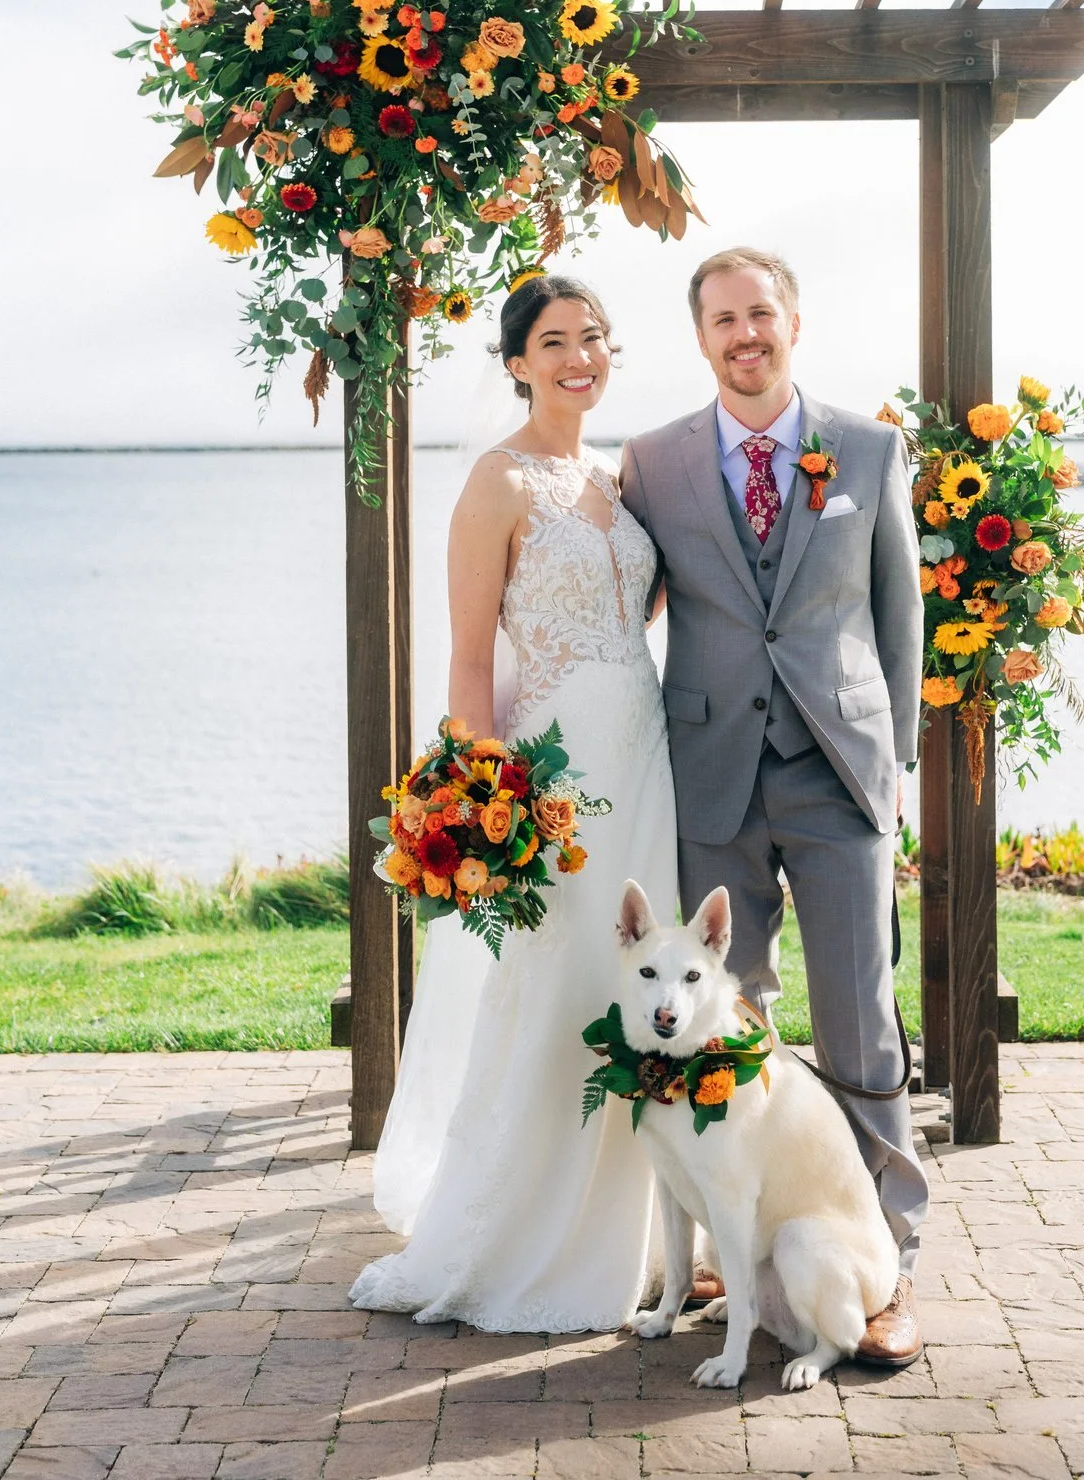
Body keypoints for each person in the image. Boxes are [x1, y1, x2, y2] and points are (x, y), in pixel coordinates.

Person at [618, 246, 930, 1368]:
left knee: (859, 1014)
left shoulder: (868, 446)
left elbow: (902, 612)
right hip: (709, 771)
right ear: (699, 335)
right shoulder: (651, 464)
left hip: (839, 772)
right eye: (722, 319)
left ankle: (886, 1260)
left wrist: (894, 765)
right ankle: (729, 1242)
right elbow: (621, 606)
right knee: (719, 1018)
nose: (744, 334)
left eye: (761, 313)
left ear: (794, 319)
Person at [349, 275, 678, 1332]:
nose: (579, 355)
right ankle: (517, 1237)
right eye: (554, 341)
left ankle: (644, 1227)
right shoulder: (499, 483)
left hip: (644, 756)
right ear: (517, 362)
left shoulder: (620, 481)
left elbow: (646, 607)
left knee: (643, 982)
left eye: (594, 337)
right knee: (555, 990)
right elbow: (468, 652)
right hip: (554, 777)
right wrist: (494, 797)